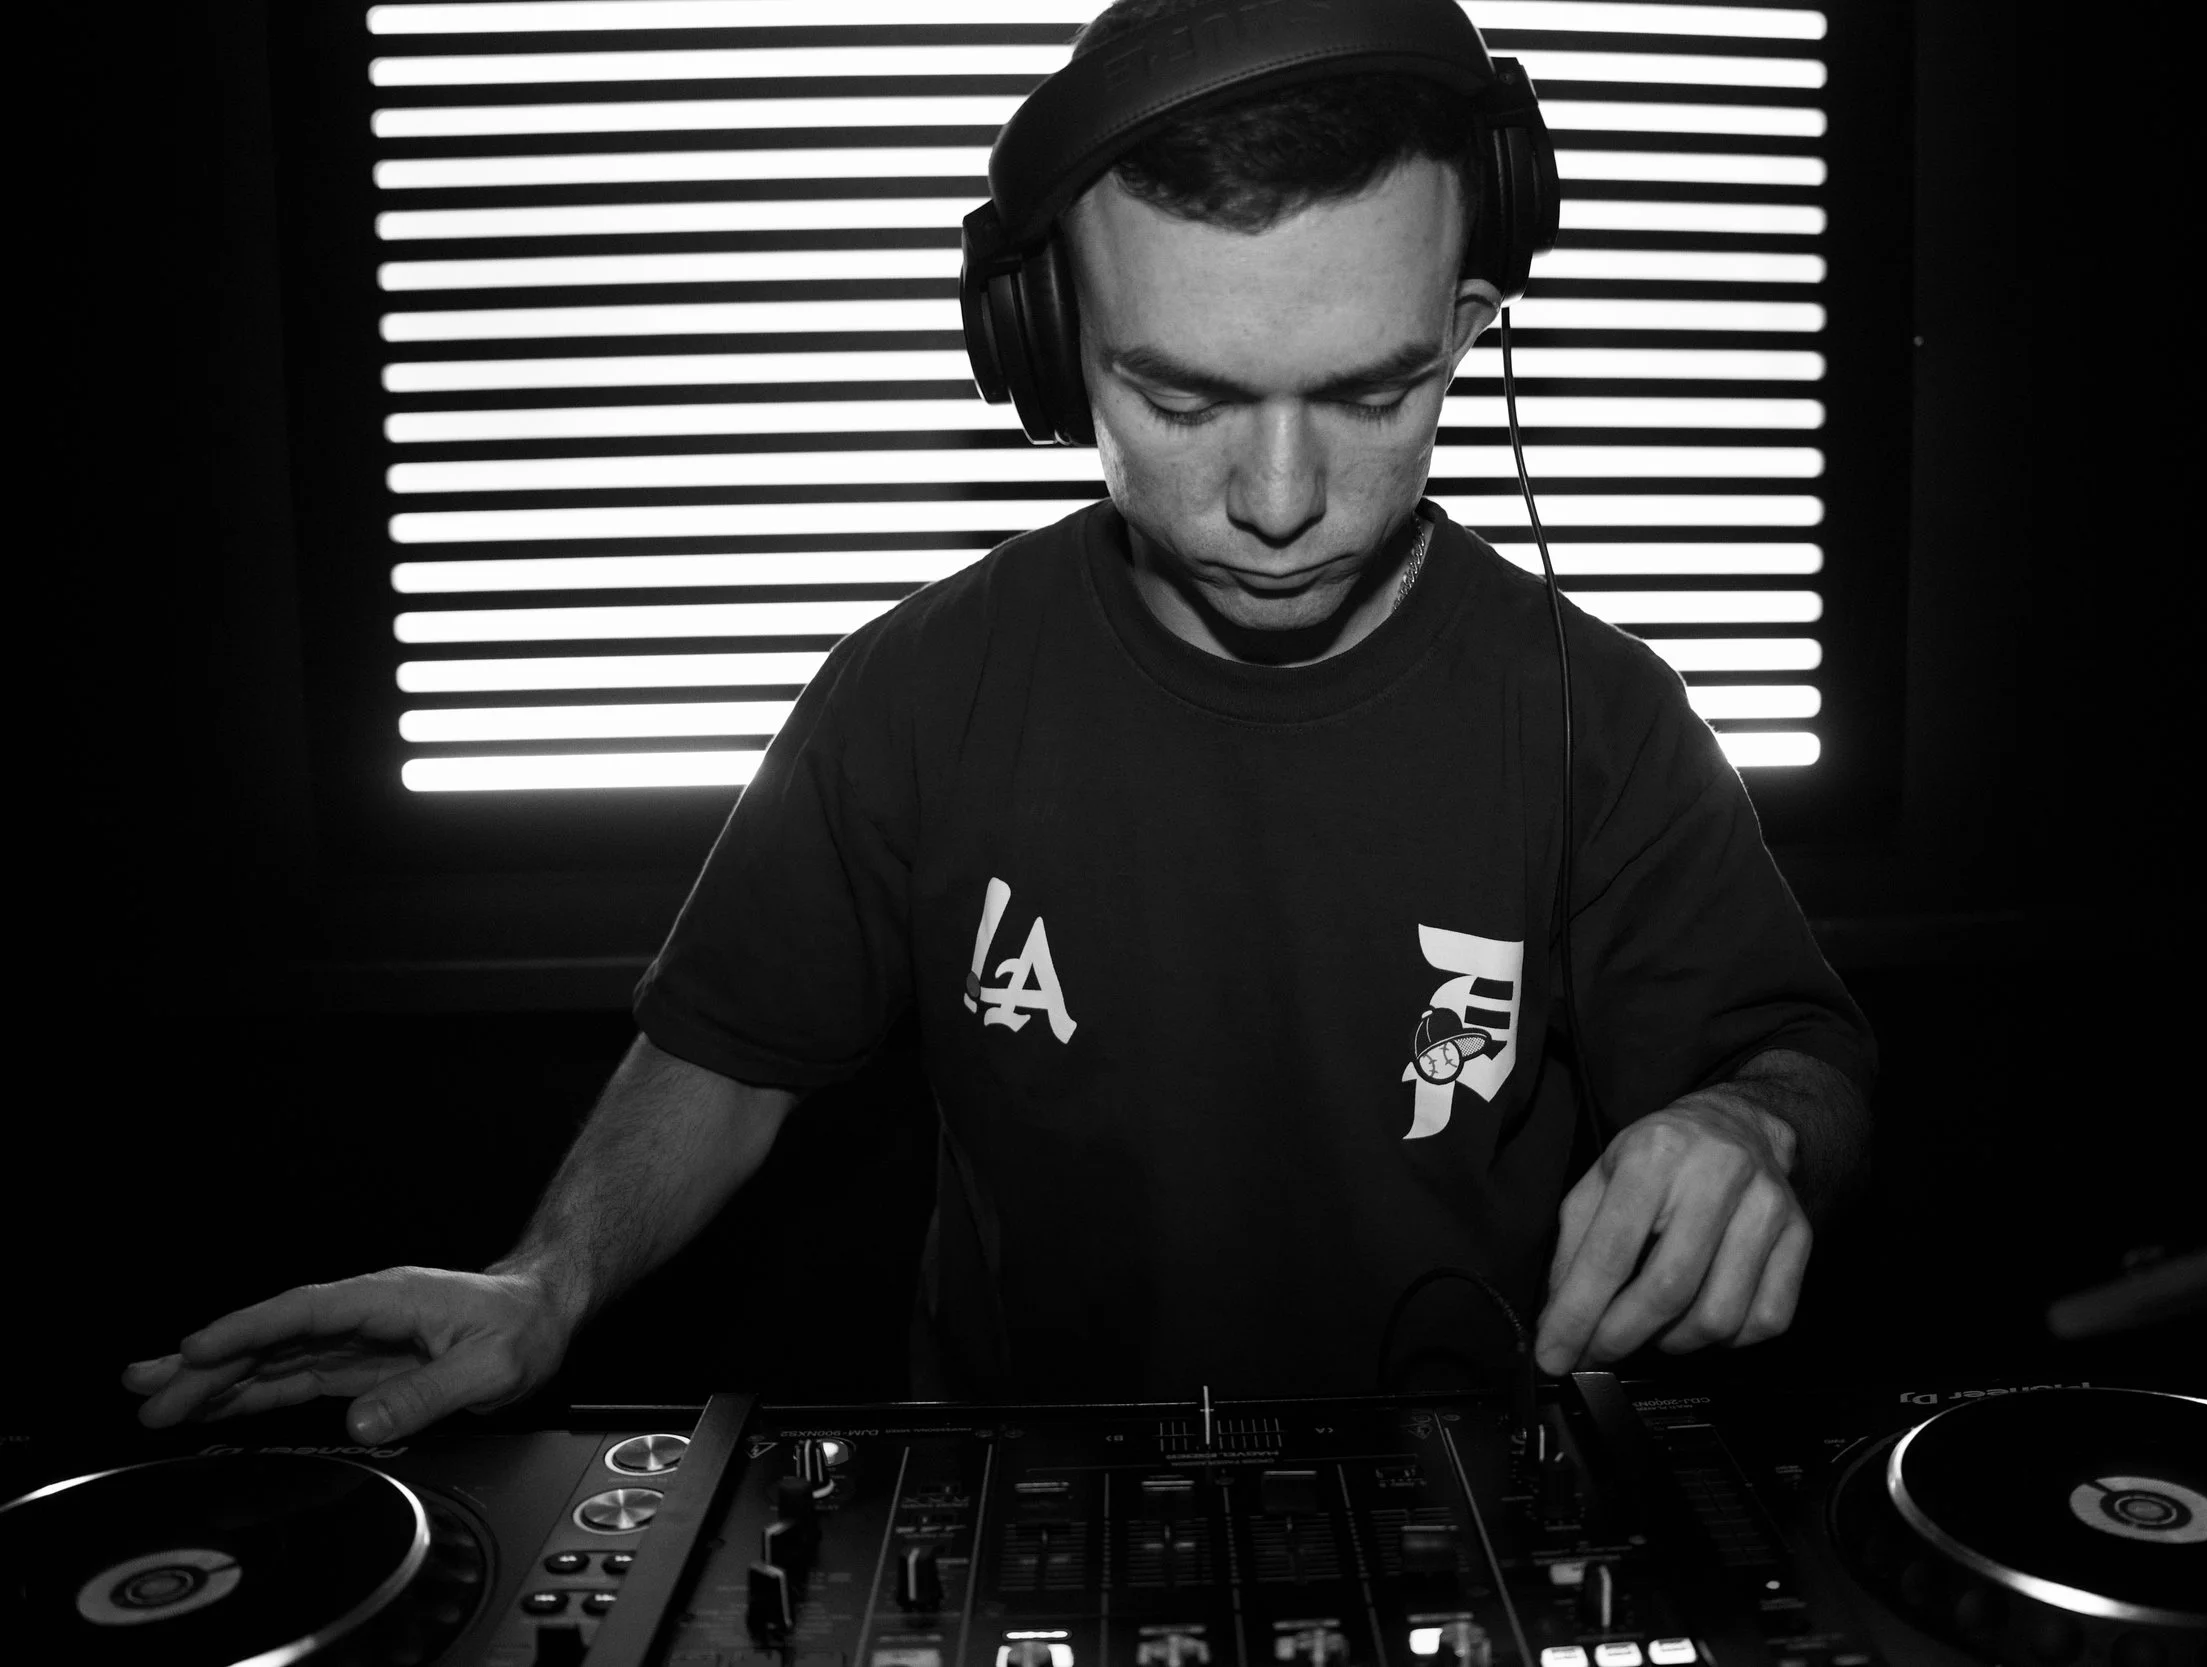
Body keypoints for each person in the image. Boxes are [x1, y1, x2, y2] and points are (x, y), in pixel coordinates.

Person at [127, 0, 1874, 1443]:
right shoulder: (914, 689)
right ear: (1047, 351)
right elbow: (732, 1052)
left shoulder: (1600, 715)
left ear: (1469, 329)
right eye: (1180, 396)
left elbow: (1802, 1060)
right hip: (1017, 1486)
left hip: (1468, 1491)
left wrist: (1752, 1130)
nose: (1281, 498)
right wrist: (547, 1276)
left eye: (1371, 391)